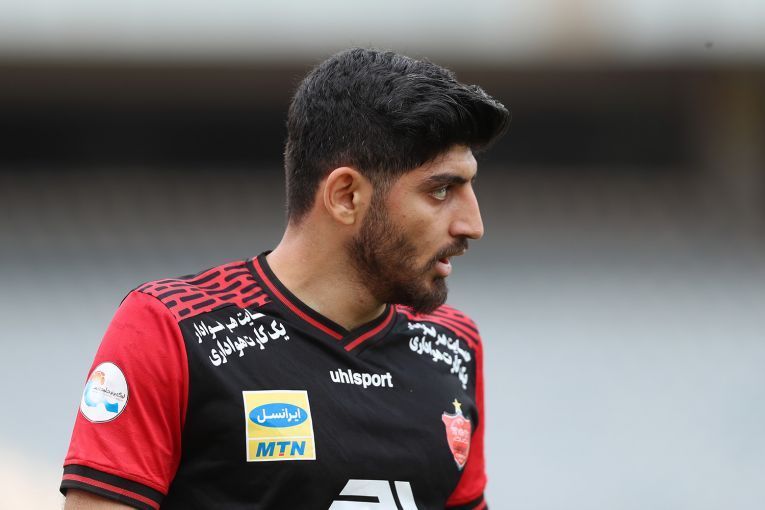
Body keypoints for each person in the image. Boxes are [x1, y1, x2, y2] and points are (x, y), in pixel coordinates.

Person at [61, 48, 509, 510]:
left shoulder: (454, 346)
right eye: (441, 190)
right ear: (346, 196)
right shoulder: (172, 329)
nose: (473, 225)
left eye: (469, 187)